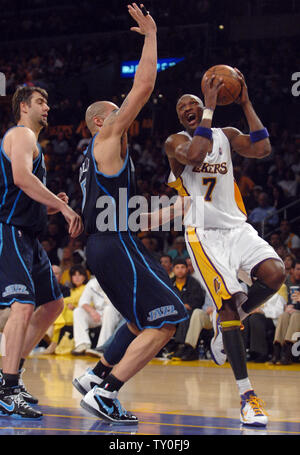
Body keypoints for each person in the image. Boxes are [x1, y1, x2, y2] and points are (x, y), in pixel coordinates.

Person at [72, 4, 188, 424]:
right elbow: (143, 85)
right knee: (169, 318)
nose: (126, 118)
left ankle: (96, 375)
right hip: (115, 245)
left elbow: (126, 216)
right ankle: (107, 393)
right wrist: (152, 35)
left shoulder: (95, 161)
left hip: (105, 244)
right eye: (115, 113)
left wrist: (176, 209)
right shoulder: (107, 135)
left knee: (143, 322)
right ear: (101, 120)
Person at [164, 68, 285, 426]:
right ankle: (248, 397)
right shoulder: (174, 142)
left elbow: (262, 148)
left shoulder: (227, 135)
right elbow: (196, 156)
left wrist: (245, 101)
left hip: (235, 226)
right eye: (182, 106)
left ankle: (228, 323)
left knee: (275, 275)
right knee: (228, 304)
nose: (188, 107)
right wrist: (209, 107)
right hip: (203, 233)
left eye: (194, 103)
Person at [0, 85, 83, 419]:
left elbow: (25, 193)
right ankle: (6, 389)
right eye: (40, 101)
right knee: (22, 306)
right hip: (8, 229)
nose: (47, 107)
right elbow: (20, 178)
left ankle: (12, 375)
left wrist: (50, 206)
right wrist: (62, 210)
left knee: (52, 305)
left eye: (47, 101)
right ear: (23, 106)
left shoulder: (33, 143)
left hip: (28, 234)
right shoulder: (21, 135)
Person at [71, 276, 122, 356]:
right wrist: (92, 311)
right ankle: (83, 344)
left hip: (116, 314)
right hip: (98, 313)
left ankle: (102, 347)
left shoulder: (118, 282)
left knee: (108, 310)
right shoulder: (92, 283)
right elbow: (83, 302)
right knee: (78, 311)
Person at [44, 265, 88, 354]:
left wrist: (73, 306)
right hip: (70, 313)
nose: (77, 278)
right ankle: (53, 342)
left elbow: (90, 304)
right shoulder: (72, 290)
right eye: (74, 275)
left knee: (60, 306)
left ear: (84, 277)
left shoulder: (87, 288)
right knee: (60, 308)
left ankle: (53, 341)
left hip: (82, 315)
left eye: (80, 275)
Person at [167, 258, 205, 358]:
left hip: (189, 313)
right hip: (172, 312)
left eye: (183, 267)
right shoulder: (169, 283)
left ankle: (181, 346)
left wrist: (184, 306)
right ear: (173, 270)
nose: (180, 270)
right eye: (177, 267)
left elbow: (197, 302)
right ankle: (165, 347)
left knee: (186, 316)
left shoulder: (194, 283)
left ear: (187, 269)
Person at [271, 259, 300, 364]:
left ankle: (288, 354)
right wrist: (286, 307)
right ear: (292, 270)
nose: (299, 272)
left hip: (298, 313)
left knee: (296, 316)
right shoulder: (286, 282)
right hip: (290, 311)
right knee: (284, 315)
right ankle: (277, 352)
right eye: (297, 269)